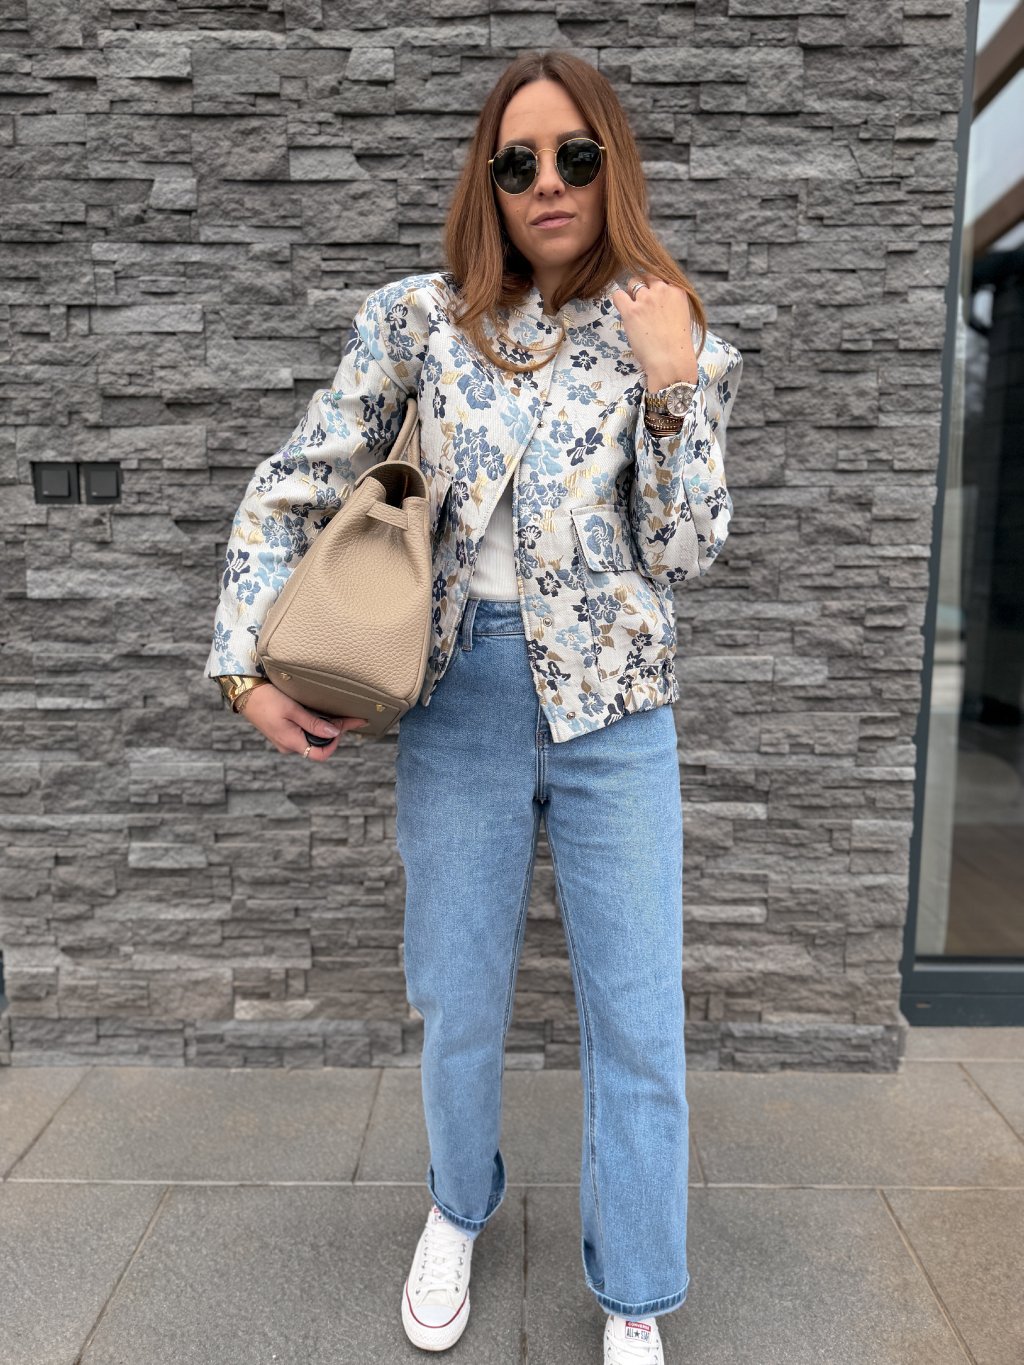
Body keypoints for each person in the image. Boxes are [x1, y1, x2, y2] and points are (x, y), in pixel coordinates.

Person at [204, 47, 741, 1365]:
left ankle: (635, 1287)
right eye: (519, 162)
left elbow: (684, 553)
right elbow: (295, 478)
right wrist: (243, 665)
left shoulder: (666, 329)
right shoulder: (421, 321)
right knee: (455, 994)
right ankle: (457, 1204)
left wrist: (673, 385)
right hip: (461, 704)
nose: (548, 182)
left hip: (619, 713)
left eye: (575, 156)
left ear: (611, 169)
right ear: (487, 182)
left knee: (638, 1013)